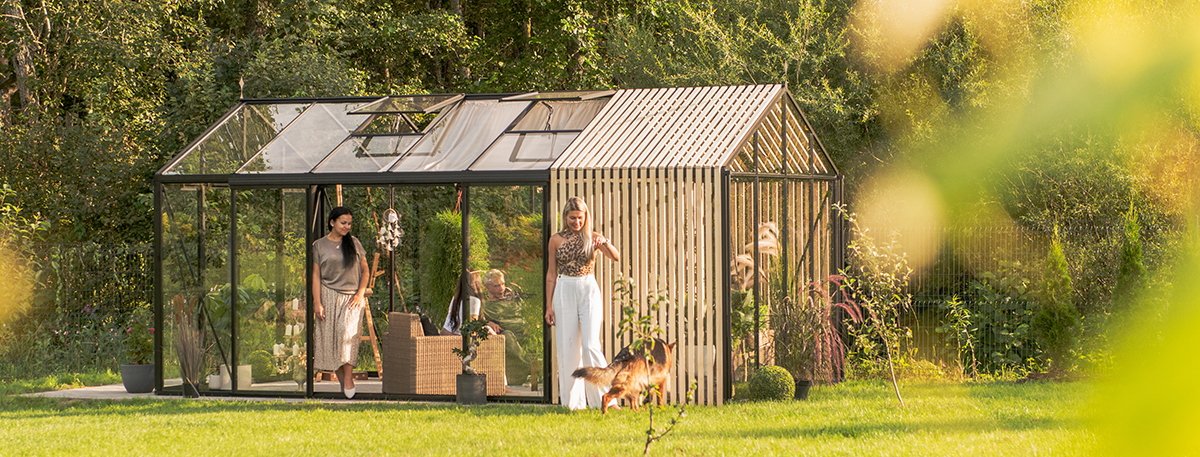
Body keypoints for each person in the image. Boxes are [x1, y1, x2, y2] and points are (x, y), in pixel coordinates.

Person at [545, 196, 620, 410]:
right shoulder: (555, 240)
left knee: (590, 345)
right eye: (572, 218)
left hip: (588, 288)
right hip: (564, 288)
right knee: (568, 347)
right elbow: (551, 273)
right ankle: (573, 403)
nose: (576, 222)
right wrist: (549, 306)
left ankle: (607, 400)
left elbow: (616, 257)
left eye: (580, 217)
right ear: (565, 217)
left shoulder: (593, 237)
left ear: (586, 217)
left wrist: (604, 241)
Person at [312, 206, 370, 399]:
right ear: (332, 222)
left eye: (349, 223)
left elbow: (365, 271)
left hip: (352, 297)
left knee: (346, 335)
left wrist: (360, 294)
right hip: (327, 295)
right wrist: (317, 302)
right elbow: (315, 275)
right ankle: (343, 382)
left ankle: (348, 379)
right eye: (343, 223)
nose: (347, 226)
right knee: (331, 342)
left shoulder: (354, 243)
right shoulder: (319, 245)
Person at [480, 269, 531, 385]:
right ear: (486, 287)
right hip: (503, 336)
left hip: (522, 332)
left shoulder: (514, 299)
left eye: (503, 284)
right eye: (496, 286)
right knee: (507, 336)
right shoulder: (483, 305)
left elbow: (528, 313)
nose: (501, 288)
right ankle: (529, 367)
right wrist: (486, 323)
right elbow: (473, 321)